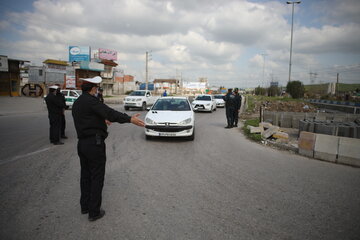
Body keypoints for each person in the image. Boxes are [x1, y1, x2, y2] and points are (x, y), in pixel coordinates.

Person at [72, 76, 145, 222]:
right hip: (94, 144)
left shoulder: (78, 102)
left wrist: (101, 120)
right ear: (93, 88)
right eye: (97, 88)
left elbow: (87, 118)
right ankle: (94, 212)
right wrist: (130, 119)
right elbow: (110, 113)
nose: (97, 90)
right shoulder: (92, 101)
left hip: (82, 144)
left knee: (85, 176)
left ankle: (85, 206)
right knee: (96, 177)